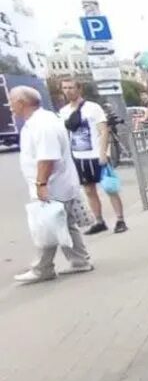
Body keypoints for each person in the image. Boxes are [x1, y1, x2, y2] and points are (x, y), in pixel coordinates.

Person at [10, 86, 94, 283]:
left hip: (53, 185)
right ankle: (79, 260)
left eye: (12, 101)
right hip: (60, 183)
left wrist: (41, 184)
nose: (10, 105)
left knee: (46, 225)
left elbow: (47, 158)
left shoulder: (42, 124)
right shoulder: (42, 120)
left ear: (23, 102)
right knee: (64, 223)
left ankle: (43, 268)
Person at [59, 78, 127, 234]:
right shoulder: (64, 112)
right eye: (65, 88)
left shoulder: (92, 108)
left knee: (109, 188)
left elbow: (104, 131)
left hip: (96, 155)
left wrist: (103, 153)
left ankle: (120, 219)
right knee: (89, 190)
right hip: (79, 157)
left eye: (71, 87)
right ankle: (99, 221)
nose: (68, 90)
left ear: (79, 88)